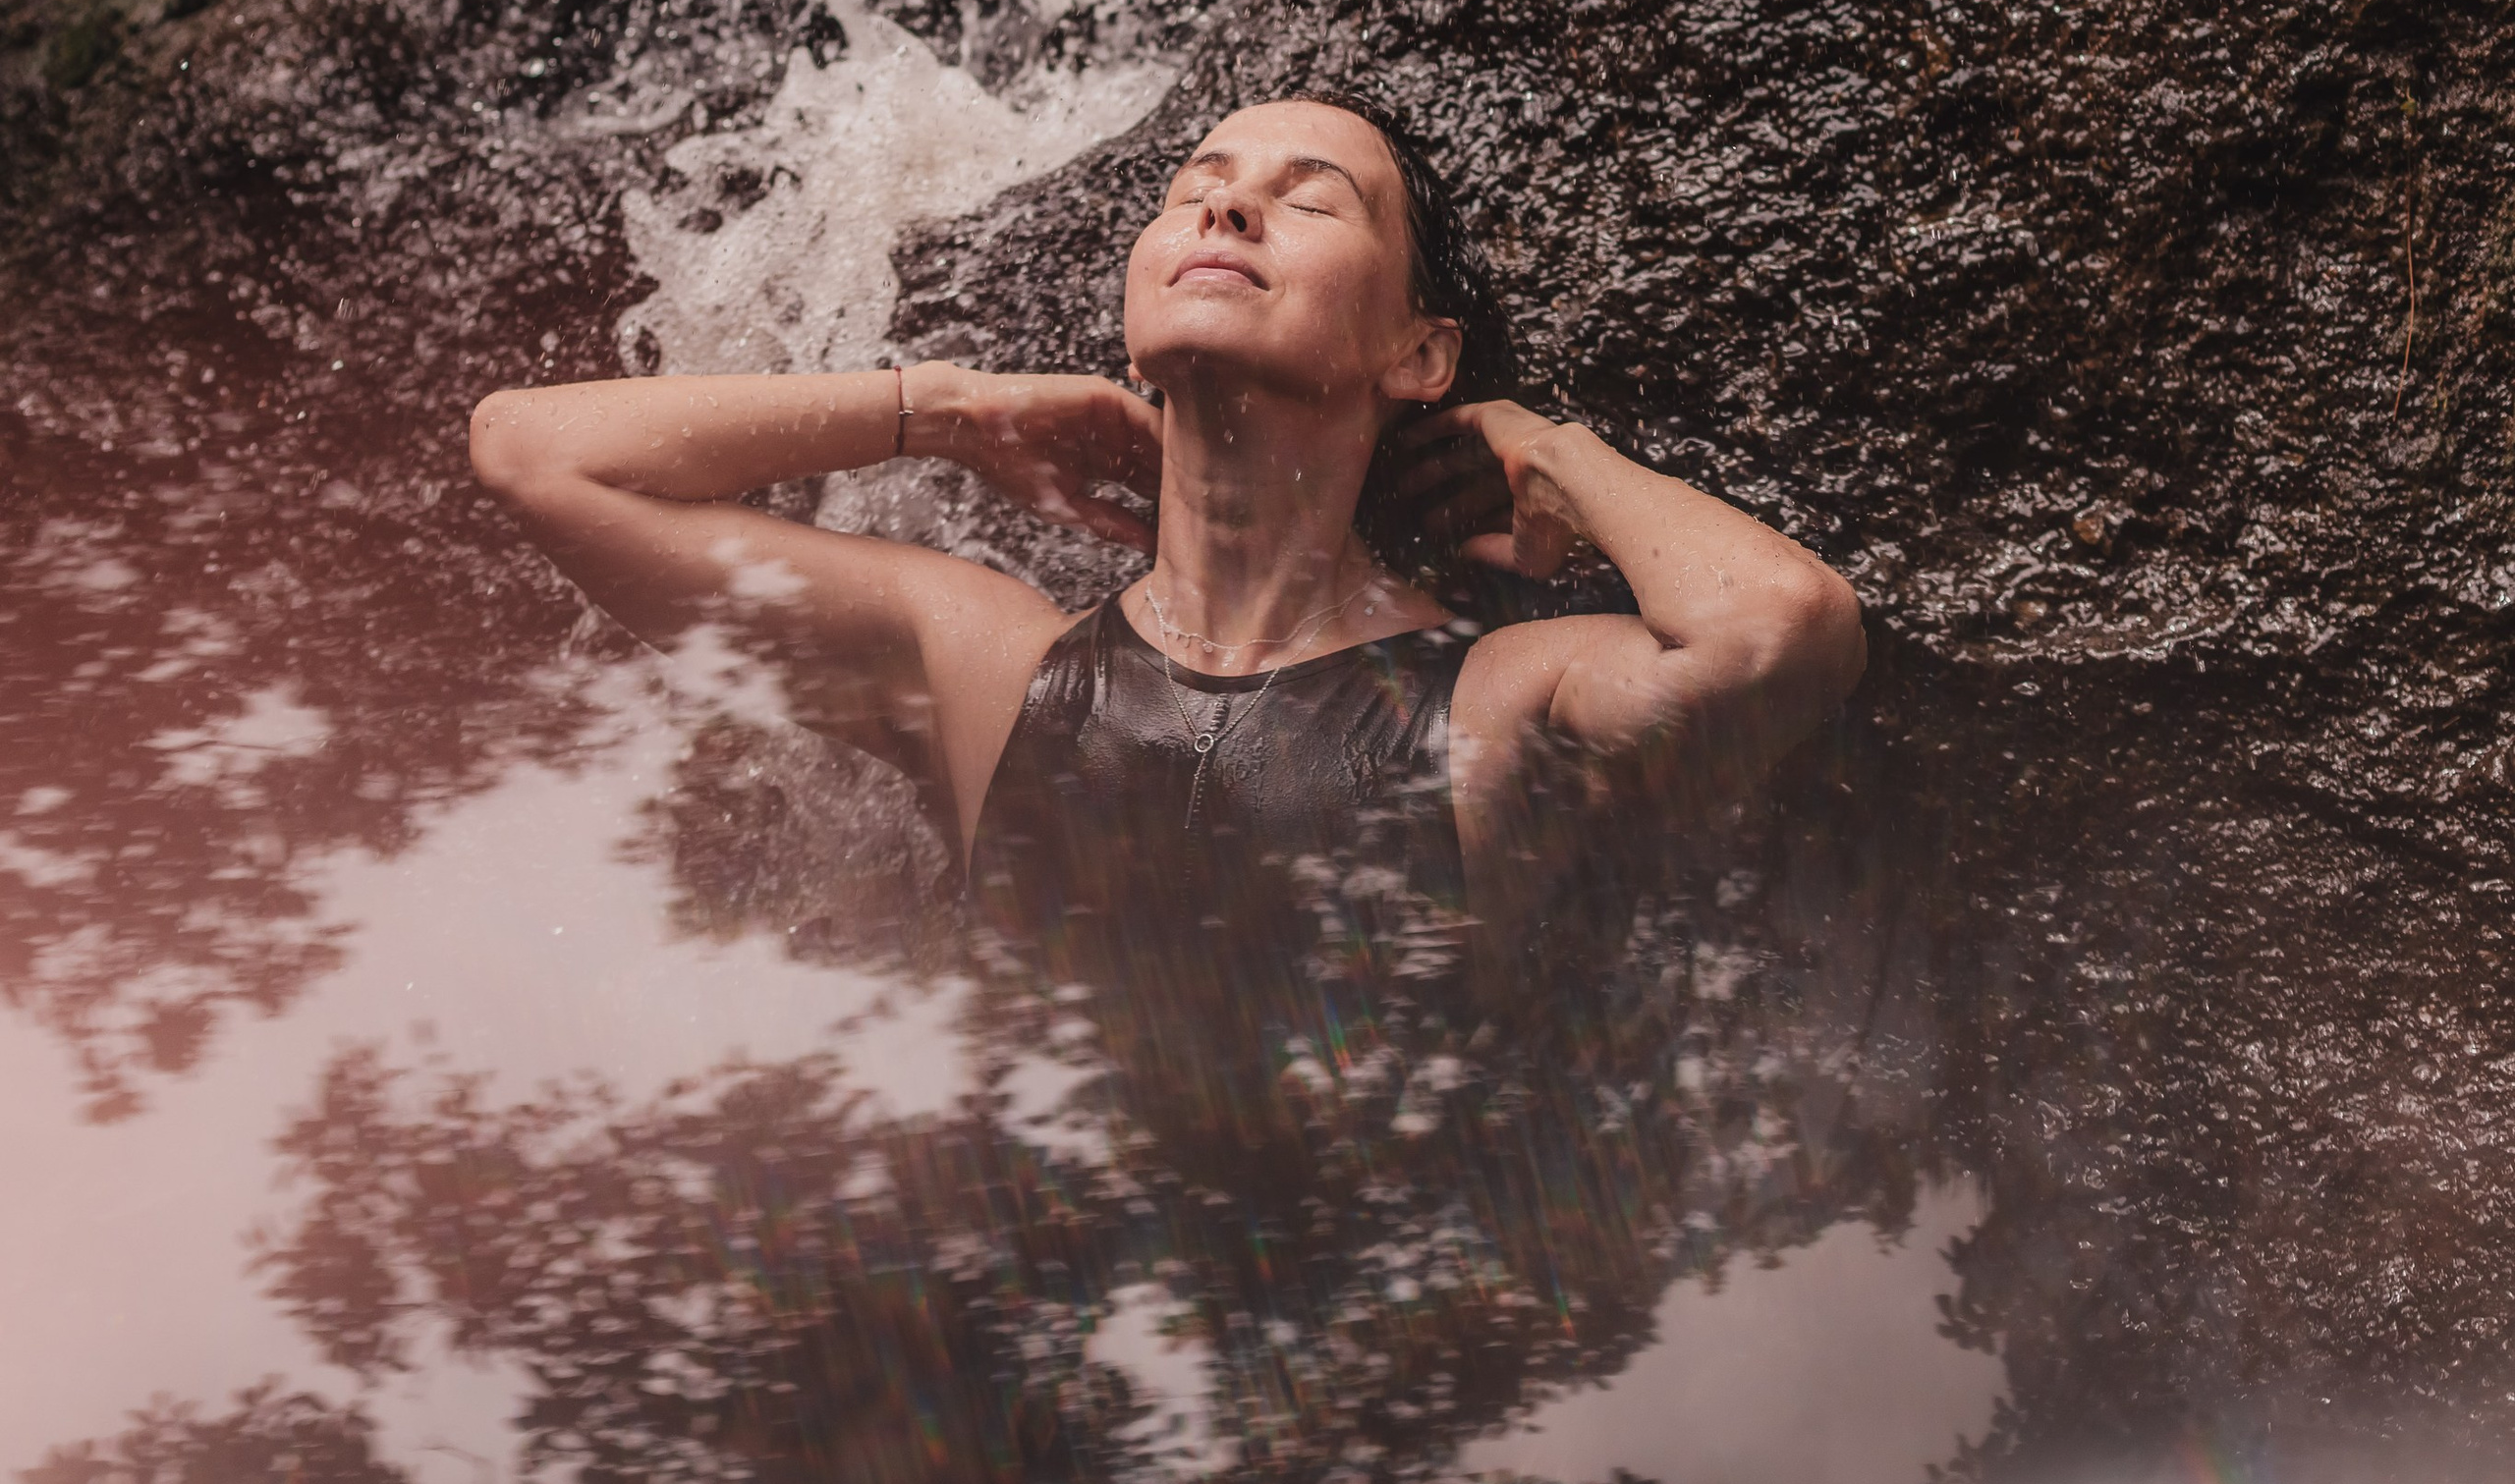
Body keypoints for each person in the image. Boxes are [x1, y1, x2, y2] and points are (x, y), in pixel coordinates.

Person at [468, 93, 1865, 947]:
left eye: (1308, 202)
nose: (1230, 208)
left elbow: (1781, 629)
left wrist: (1552, 452)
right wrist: (947, 408)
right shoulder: (988, 669)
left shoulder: (1486, 705)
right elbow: (537, 456)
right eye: (1198, 185)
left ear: (1418, 355)